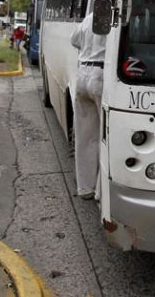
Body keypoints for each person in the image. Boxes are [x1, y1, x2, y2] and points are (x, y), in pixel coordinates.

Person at [70, 11, 106, 200]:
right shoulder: (114, 14)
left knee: (84, 136)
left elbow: (74, 40)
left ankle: (85, 188)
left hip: (82, 71)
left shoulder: (89, 17)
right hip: (101, 74)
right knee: (105, 137)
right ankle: (100, 191)